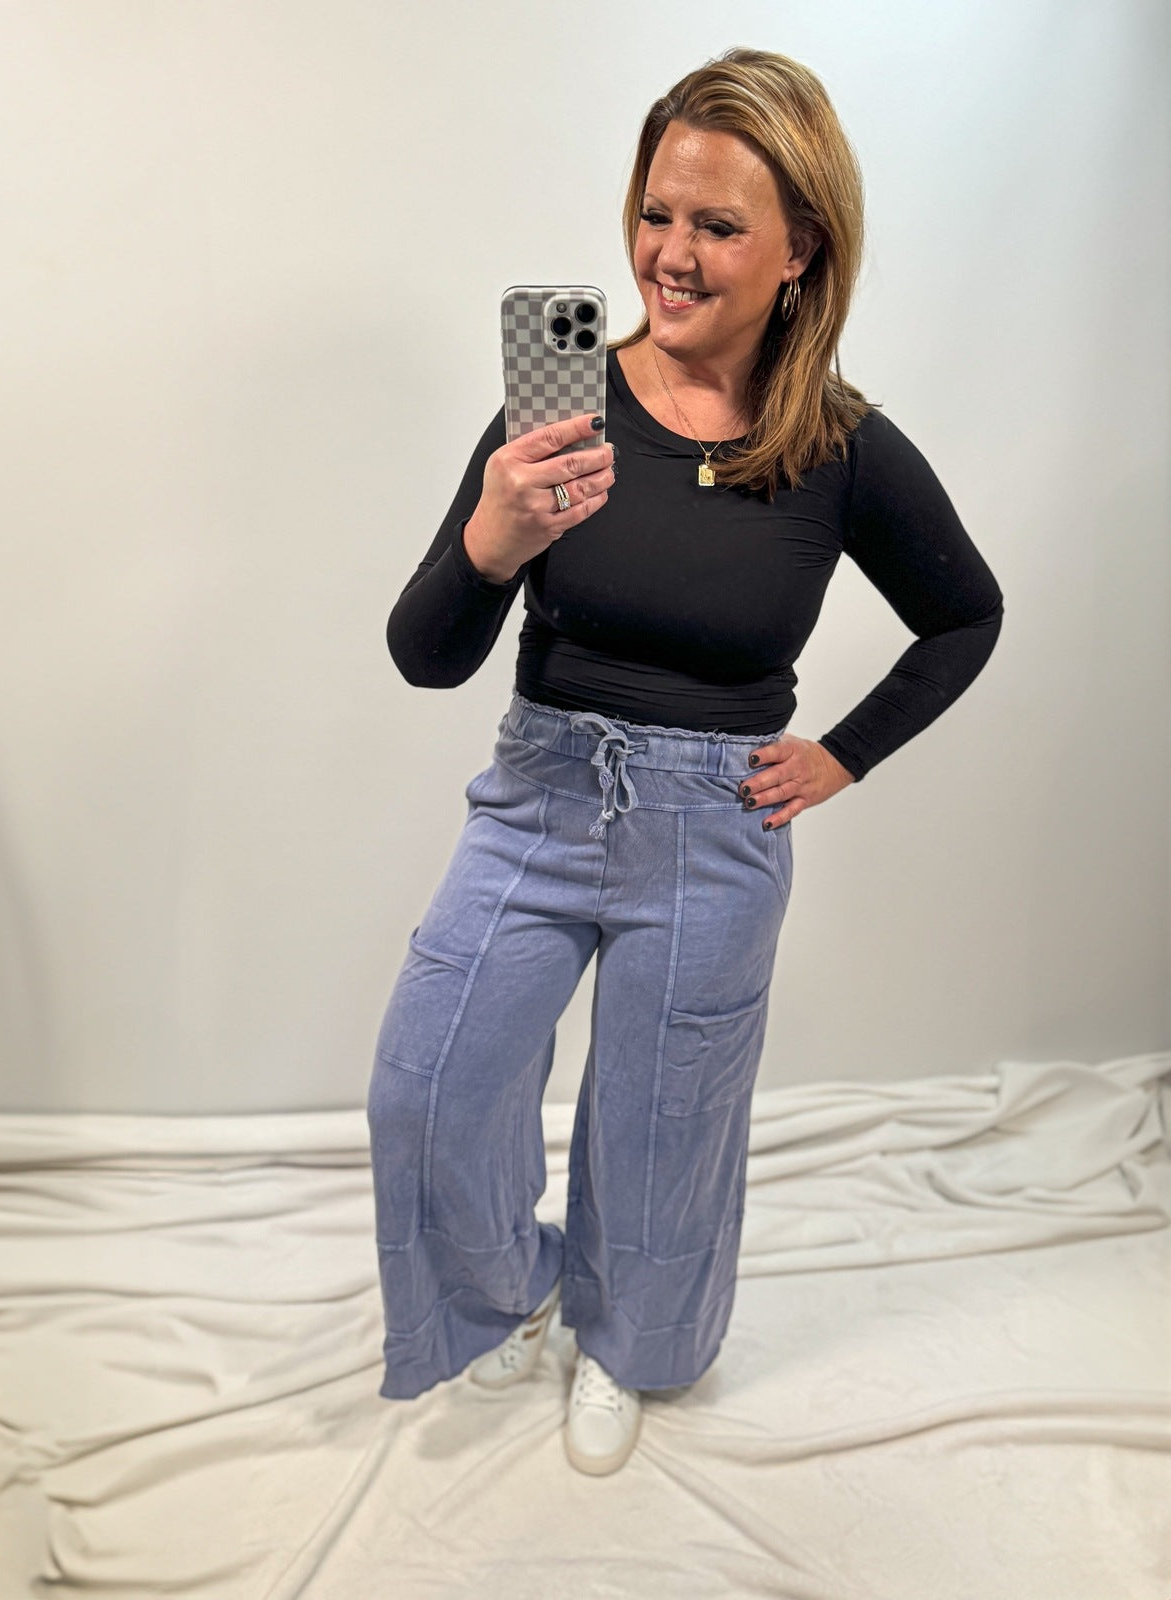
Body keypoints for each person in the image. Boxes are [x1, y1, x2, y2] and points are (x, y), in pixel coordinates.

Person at [366, 47, 1004, 1476]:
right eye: (657, 212)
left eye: (717, 225)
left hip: (715, 828)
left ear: (800, 249)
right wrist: (493, 541)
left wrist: (841, 755)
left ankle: (631, 1340)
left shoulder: (839, 445)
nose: (670, 253)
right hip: (538, 799)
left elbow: (967, 613)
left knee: (664, 1129)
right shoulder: (560, 408)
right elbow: (424, 654)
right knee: (426, 1086)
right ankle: (515, 1284)